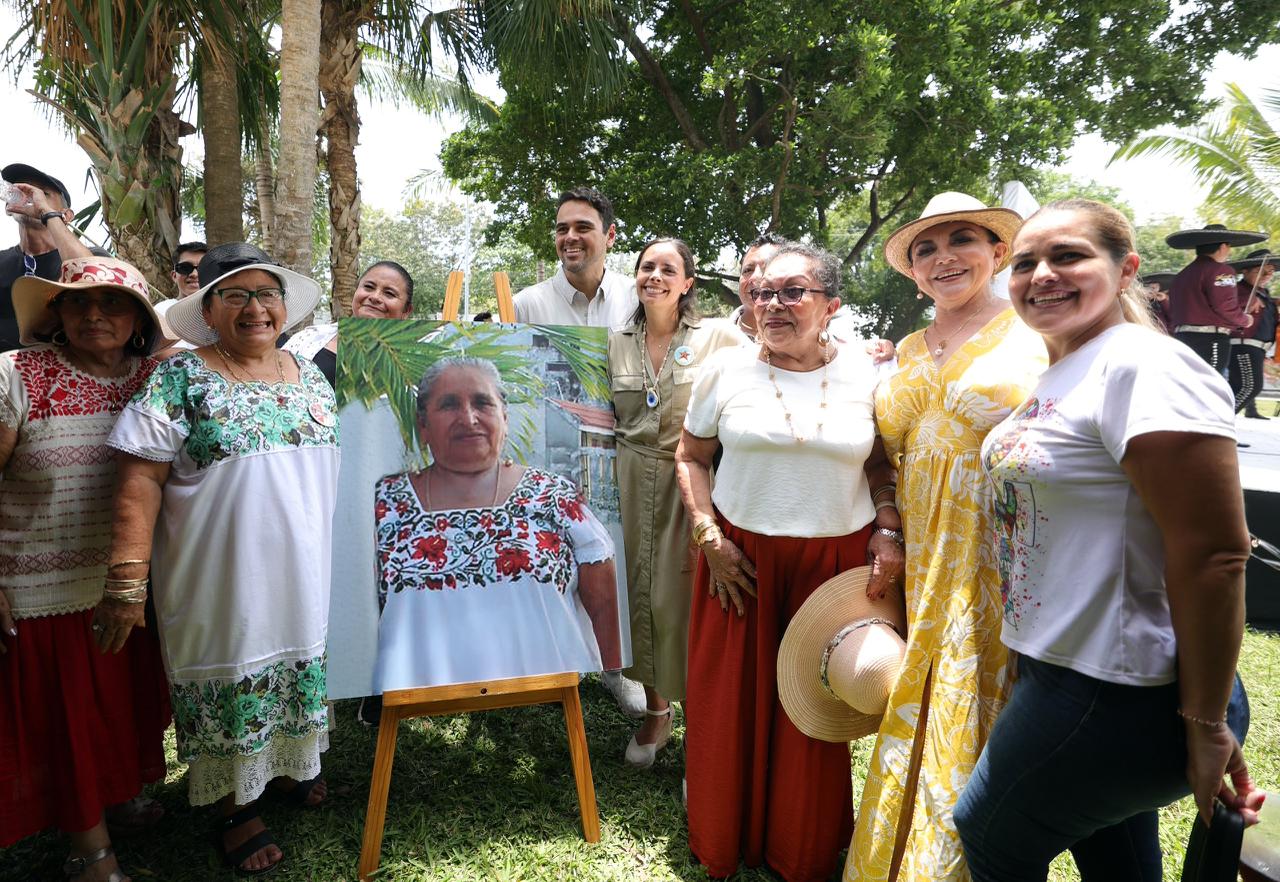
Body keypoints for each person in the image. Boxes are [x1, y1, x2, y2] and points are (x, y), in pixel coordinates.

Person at [955, 198, 1264, 880]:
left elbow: (1215, 553)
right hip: (1064, 665)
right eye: (1026, 262)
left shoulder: (1143, 365)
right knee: (1116, 857)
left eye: (1068, 257)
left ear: (1126, 270)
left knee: (988, 830)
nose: (1041, 275)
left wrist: (1206, 722)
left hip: (1117, 689)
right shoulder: (1072, 367)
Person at [104, 242, 339, 876]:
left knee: (297, 659)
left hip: (302, 572)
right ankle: (236, 807)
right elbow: (139, 476)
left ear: (284, 308)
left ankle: (286, 769)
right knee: (234, 669)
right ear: (207, 310)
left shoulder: (310, 373)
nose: (255, 307)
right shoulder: (179, 377)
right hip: (220, 575)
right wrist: (128, 577)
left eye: (267, 294)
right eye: (235, 294)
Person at [674, 242, 903, 882]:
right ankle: (723, 838)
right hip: (738, 557)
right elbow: (691, 455)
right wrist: (706, 534)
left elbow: (881, 464)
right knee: (729, 704)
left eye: (793, 291)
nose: (772, 304)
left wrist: (888, 526)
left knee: (815, 705)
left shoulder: (868, 375)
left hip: (832, 567)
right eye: (762, 292)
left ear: (831, 305)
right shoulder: (724, 371)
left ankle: (799, 849)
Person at [844, 191, 1044, 882]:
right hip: (919, 555)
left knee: (973, 708)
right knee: (912, 697)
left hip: (997, 561)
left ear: (998, 251)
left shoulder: (1035, 336)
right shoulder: (900, 350)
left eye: (962, 239)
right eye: (926, 248)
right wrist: (888, 527)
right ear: (913, 272)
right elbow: (883, 457)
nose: (942, 257)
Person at [1, 257, 170, 882]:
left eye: (113, 304)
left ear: (139, 321)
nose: (94, 315)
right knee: (65, 717)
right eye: (77, 303)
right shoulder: (17, 375)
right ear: (56, 315)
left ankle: (119, 798)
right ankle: (90, 853)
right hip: (38, 585)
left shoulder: (157, 379)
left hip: (131, 584)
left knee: (116, 704)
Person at [373, 356, 622, 689]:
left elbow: (602, 597)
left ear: (504, 418)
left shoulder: (552, 494)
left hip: (548, 679)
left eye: (482, 403)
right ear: (423, 425)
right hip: (415, 683)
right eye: (449, 405)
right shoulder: (385, 501)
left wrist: (615, 670)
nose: (468, 418)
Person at [607, 238, 745, 767]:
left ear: (688, 282)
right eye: (647, 267)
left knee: (682, 597)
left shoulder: (719, 337)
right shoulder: (614, 341)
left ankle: (705, 722)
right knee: (638, 593)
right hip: (626, 477)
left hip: (690, 478)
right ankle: (657, 711)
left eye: (669, 269)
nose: (655, 276)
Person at [512, 187, 638, 329]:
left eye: (583, 227)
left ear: (610, 236)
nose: (570, 237)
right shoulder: (523, 308)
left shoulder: (637, 301)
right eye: (562, 229)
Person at [1, 163, 92, 352]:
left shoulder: (90, 256)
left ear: (66, 216)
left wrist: (47, 214)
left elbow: (92, 275)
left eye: (44, 194)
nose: (31, 197)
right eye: (22, 190)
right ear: (9, 208)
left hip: (69, 374)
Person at [284, 260, 416, 386]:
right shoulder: (308, 339)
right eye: (369, 287)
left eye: (389, 293)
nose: (375, 297)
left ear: (406, 311)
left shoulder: (416, 360)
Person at [1165, 222, 1267, 377]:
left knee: (1189, 387)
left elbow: (1201, 304)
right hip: (1210, 340)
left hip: (1182, 338)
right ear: (1223, 247)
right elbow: (1224, 306)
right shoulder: (1222, 271)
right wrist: (1245, 320)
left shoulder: (1182, 275)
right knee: (1208, 389)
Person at [1228, 250, 1276, 419]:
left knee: (1240, 387)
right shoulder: (1238, 290)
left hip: (1259, 347)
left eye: (1269, 271)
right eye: (1259, 271)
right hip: (1243, 344)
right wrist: (1245, 303)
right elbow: (1227, 306)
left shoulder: (1265, 294)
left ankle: (1219, 427)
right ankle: (1218, 423)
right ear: (1245, 271)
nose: (1266, 275)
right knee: (1249, 386)